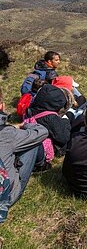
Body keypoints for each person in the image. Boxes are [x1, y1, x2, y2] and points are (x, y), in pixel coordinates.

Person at [0, 87, 49, 223]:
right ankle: (41, 165)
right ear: (2, 106)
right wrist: (24, 125)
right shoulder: (7, 134)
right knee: (33, 142)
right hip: (5, 196)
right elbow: (42, 132)